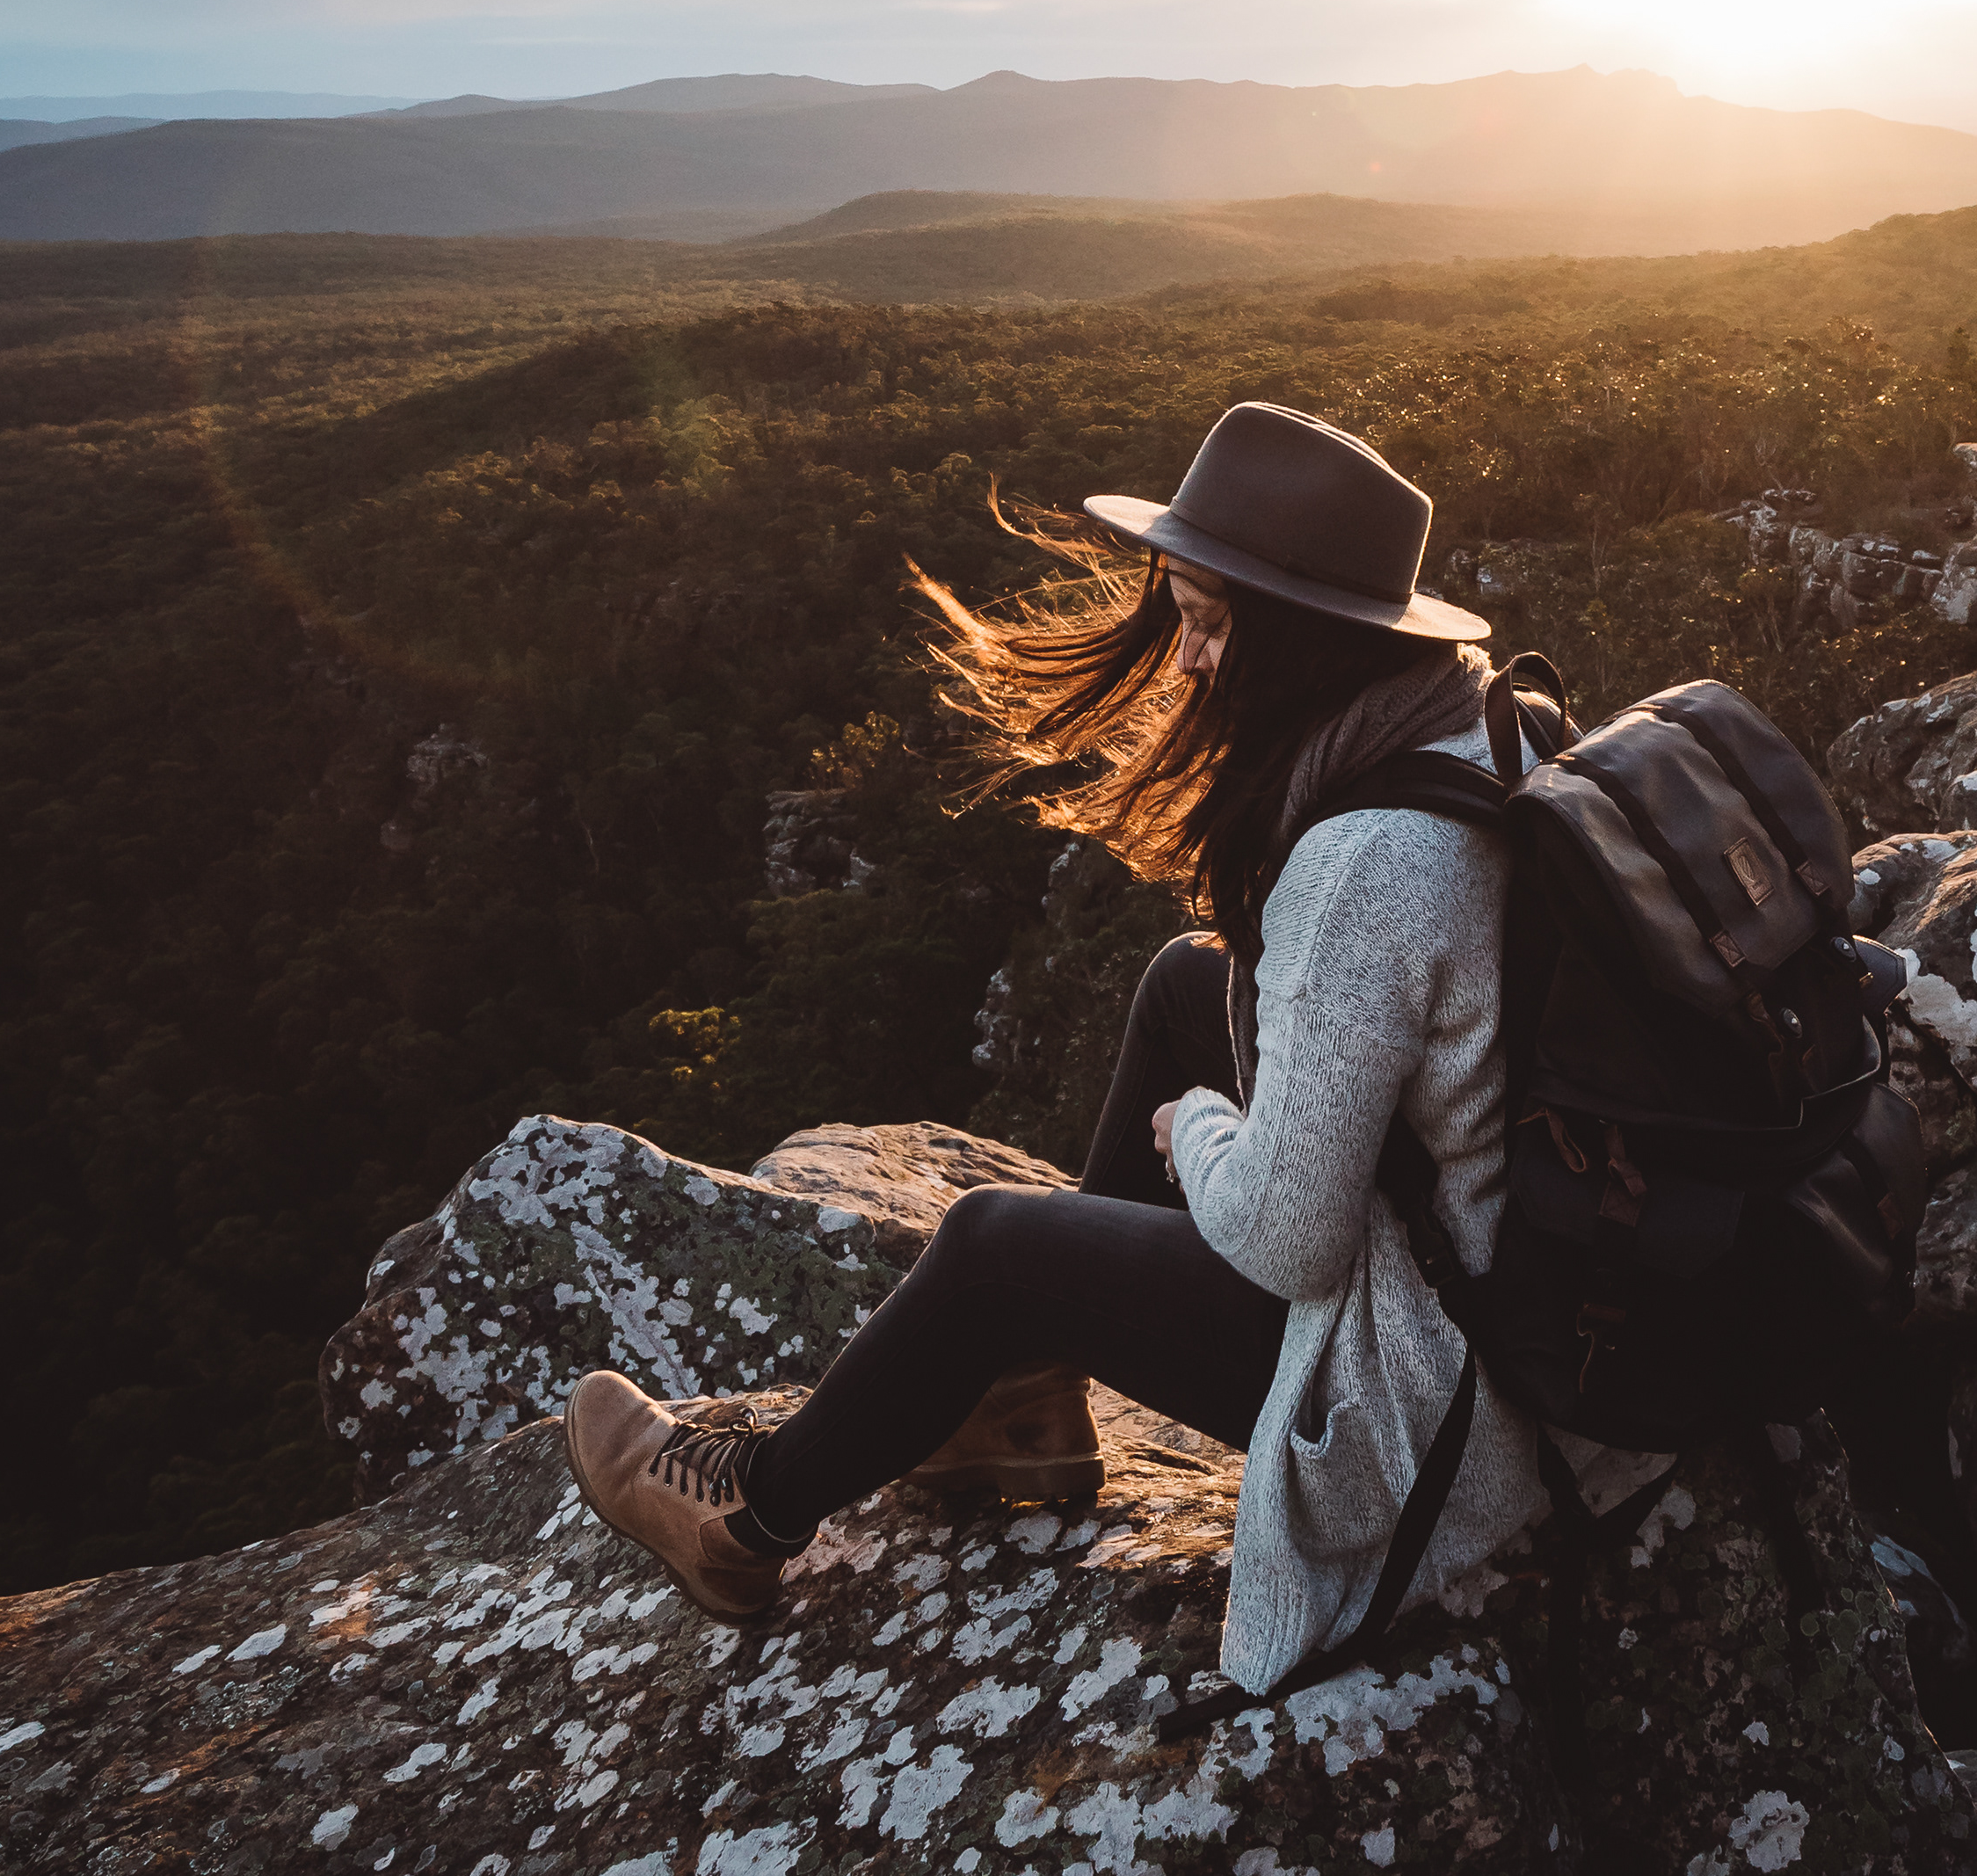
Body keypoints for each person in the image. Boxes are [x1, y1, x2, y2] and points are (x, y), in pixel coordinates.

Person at [561, 401, 1548, 1698]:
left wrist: (1202, 1131)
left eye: (1207, 621)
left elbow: (1291, 1240)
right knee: (1188, 981)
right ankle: (1024, 1393)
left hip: (1427, 1405)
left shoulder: (1370, 863)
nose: (1186, 660)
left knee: (997, 1243)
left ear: (1309, 636)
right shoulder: (1480, 727)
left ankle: (747, 1516)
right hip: (1501, 1290)